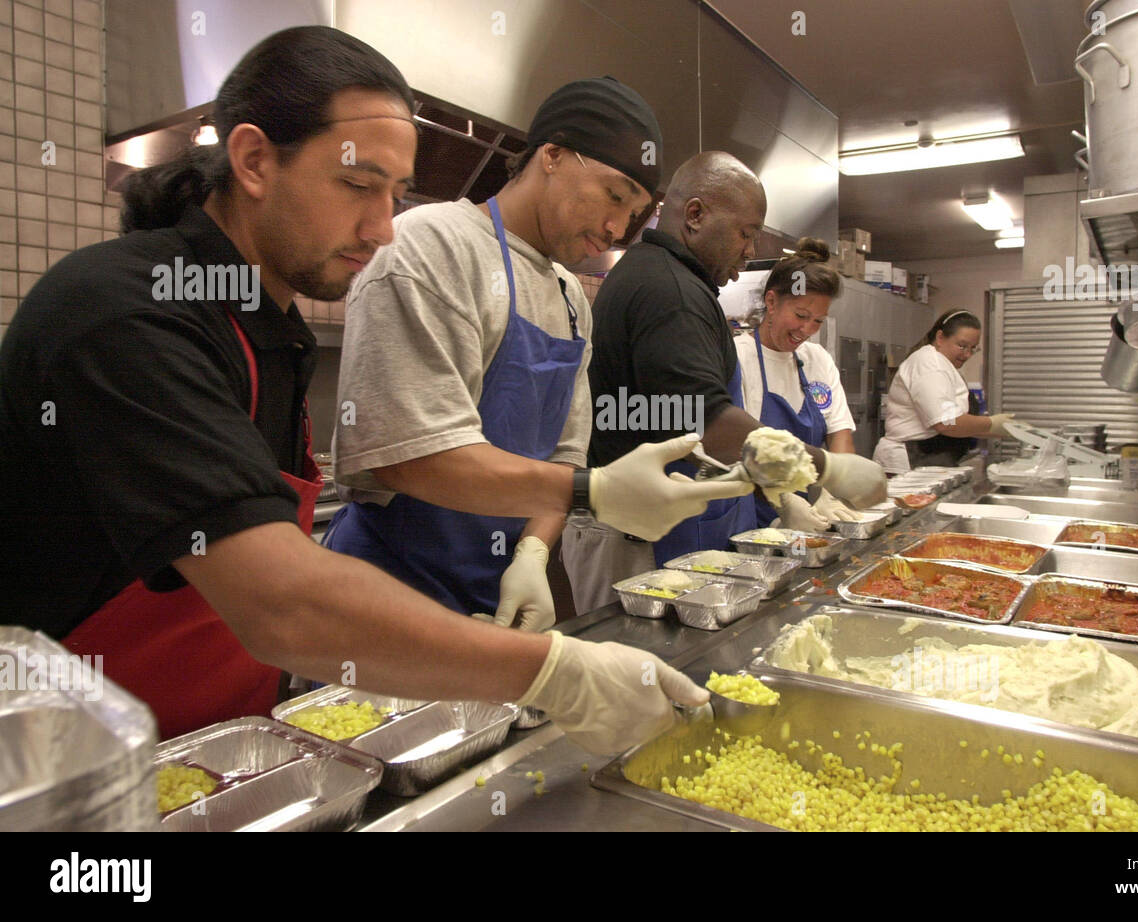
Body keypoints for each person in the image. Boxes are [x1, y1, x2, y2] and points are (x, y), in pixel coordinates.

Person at [0, 28, 712, 751]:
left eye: (396, 194)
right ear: (252, 160)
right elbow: (282, 603)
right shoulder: (123, 309)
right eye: (358, 185)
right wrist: (555, 670)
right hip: (75, 771)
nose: (382, 230)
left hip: (216, 746)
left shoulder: (270, 330)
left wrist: (533, 553)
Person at [322, 77, 748, 635]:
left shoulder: (572, 298)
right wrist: (594, 493)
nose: (617, 227)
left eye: (637, 212)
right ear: (551, 154)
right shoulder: (431, 245)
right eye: (614, 195)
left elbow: (563, 457)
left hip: (496, 591)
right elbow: (406, 453)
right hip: (391, 587)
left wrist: (530, 555)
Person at [570, 152, 888, 615]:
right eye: (746, 232)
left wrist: (780, 495)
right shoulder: (669, 291)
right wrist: (826, 469)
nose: (749, 248)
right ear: (695, 215)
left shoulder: (672, 280)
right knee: (631, 667)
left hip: (649, 522)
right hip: (629, 531)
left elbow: (683, 423)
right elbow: (708, 420)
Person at [734, 237, 861, 532]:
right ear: (772, 302)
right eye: (801, 316)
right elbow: (731, 447)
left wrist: (833, 490)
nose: (807, 330)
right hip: (748, 519)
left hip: (802, 522)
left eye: (818, 321)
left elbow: (839, 433)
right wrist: (783, 502)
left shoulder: (817, 359)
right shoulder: (739, 357)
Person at [872, 309, 1014, 473]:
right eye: (962, 346)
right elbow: (946, 422)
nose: (967, 354)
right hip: (909, 461)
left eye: (973, 348)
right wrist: (990, 423)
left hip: (928, 459)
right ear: (940, 338)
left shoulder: (944, 365)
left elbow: (952, 421)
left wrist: (1003, 430)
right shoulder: (930, 364)